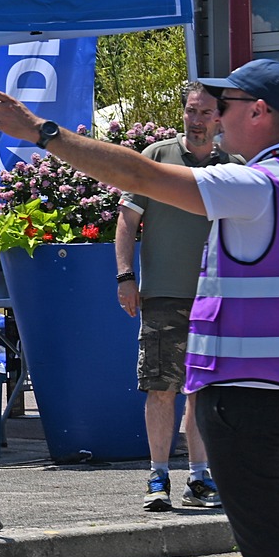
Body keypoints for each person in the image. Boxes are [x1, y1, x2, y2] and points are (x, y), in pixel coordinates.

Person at [0, 58, 279, 557]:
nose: (213, 113)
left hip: (252, 405)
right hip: (262, 399)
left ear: (264, 113)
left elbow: (144, 181)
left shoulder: (260, 186)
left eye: (227, 102)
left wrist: (42, 133)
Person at [115, 83, 236, 512]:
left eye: (205, 112)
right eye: (190, 110)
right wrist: (126, 276)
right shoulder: (157, 157)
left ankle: (199, 478)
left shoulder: (233, 166)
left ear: (219, 118)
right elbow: (127, 221)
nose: (196, 119)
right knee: (161, 388)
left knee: (202, 390)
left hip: (217, 299)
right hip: (164, 295)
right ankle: (157, 476)